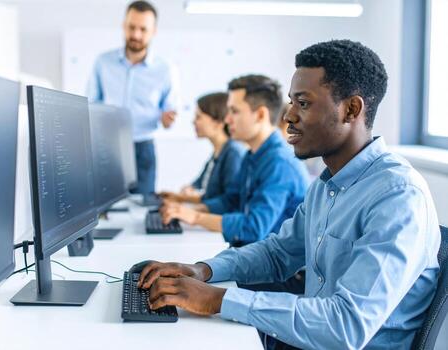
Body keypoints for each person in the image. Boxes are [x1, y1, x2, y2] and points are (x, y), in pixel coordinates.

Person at [136, 40, 441, 349]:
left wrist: (218, 299)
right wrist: (203, 270)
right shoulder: (326, 186)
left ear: (351, 109)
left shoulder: (398, 197)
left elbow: (345, 326)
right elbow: (277, 253)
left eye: (303, 104)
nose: (288, 117)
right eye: (291, 103)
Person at [160, 74, 310, 246]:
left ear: (260, 115)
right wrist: (185, 211)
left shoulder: (280, 163)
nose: (227, 119)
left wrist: (195, 217)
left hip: (279, 267)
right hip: (254, 254)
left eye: (234, 111)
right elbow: (232, 200)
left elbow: (253, 227)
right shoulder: (253, 154)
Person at [87, 1, 178, 200]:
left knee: (142, 206)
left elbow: (169, 109)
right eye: (131, 27)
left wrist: (167, 119)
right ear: (123, 25)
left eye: (143, 29)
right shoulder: (103, 62)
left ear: (153, 31)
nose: (136, 35)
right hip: (108, 148)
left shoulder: (165, 69)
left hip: (143, 148)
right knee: (104, 206)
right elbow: (91, 105)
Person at [160, 92, 246, 204]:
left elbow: (229, 202)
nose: (193, 122)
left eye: (198, 117)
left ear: (218, 122)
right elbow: (201, 183)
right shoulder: (218, 152)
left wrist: (188, 208)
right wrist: (181, 195)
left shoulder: (233, 153)